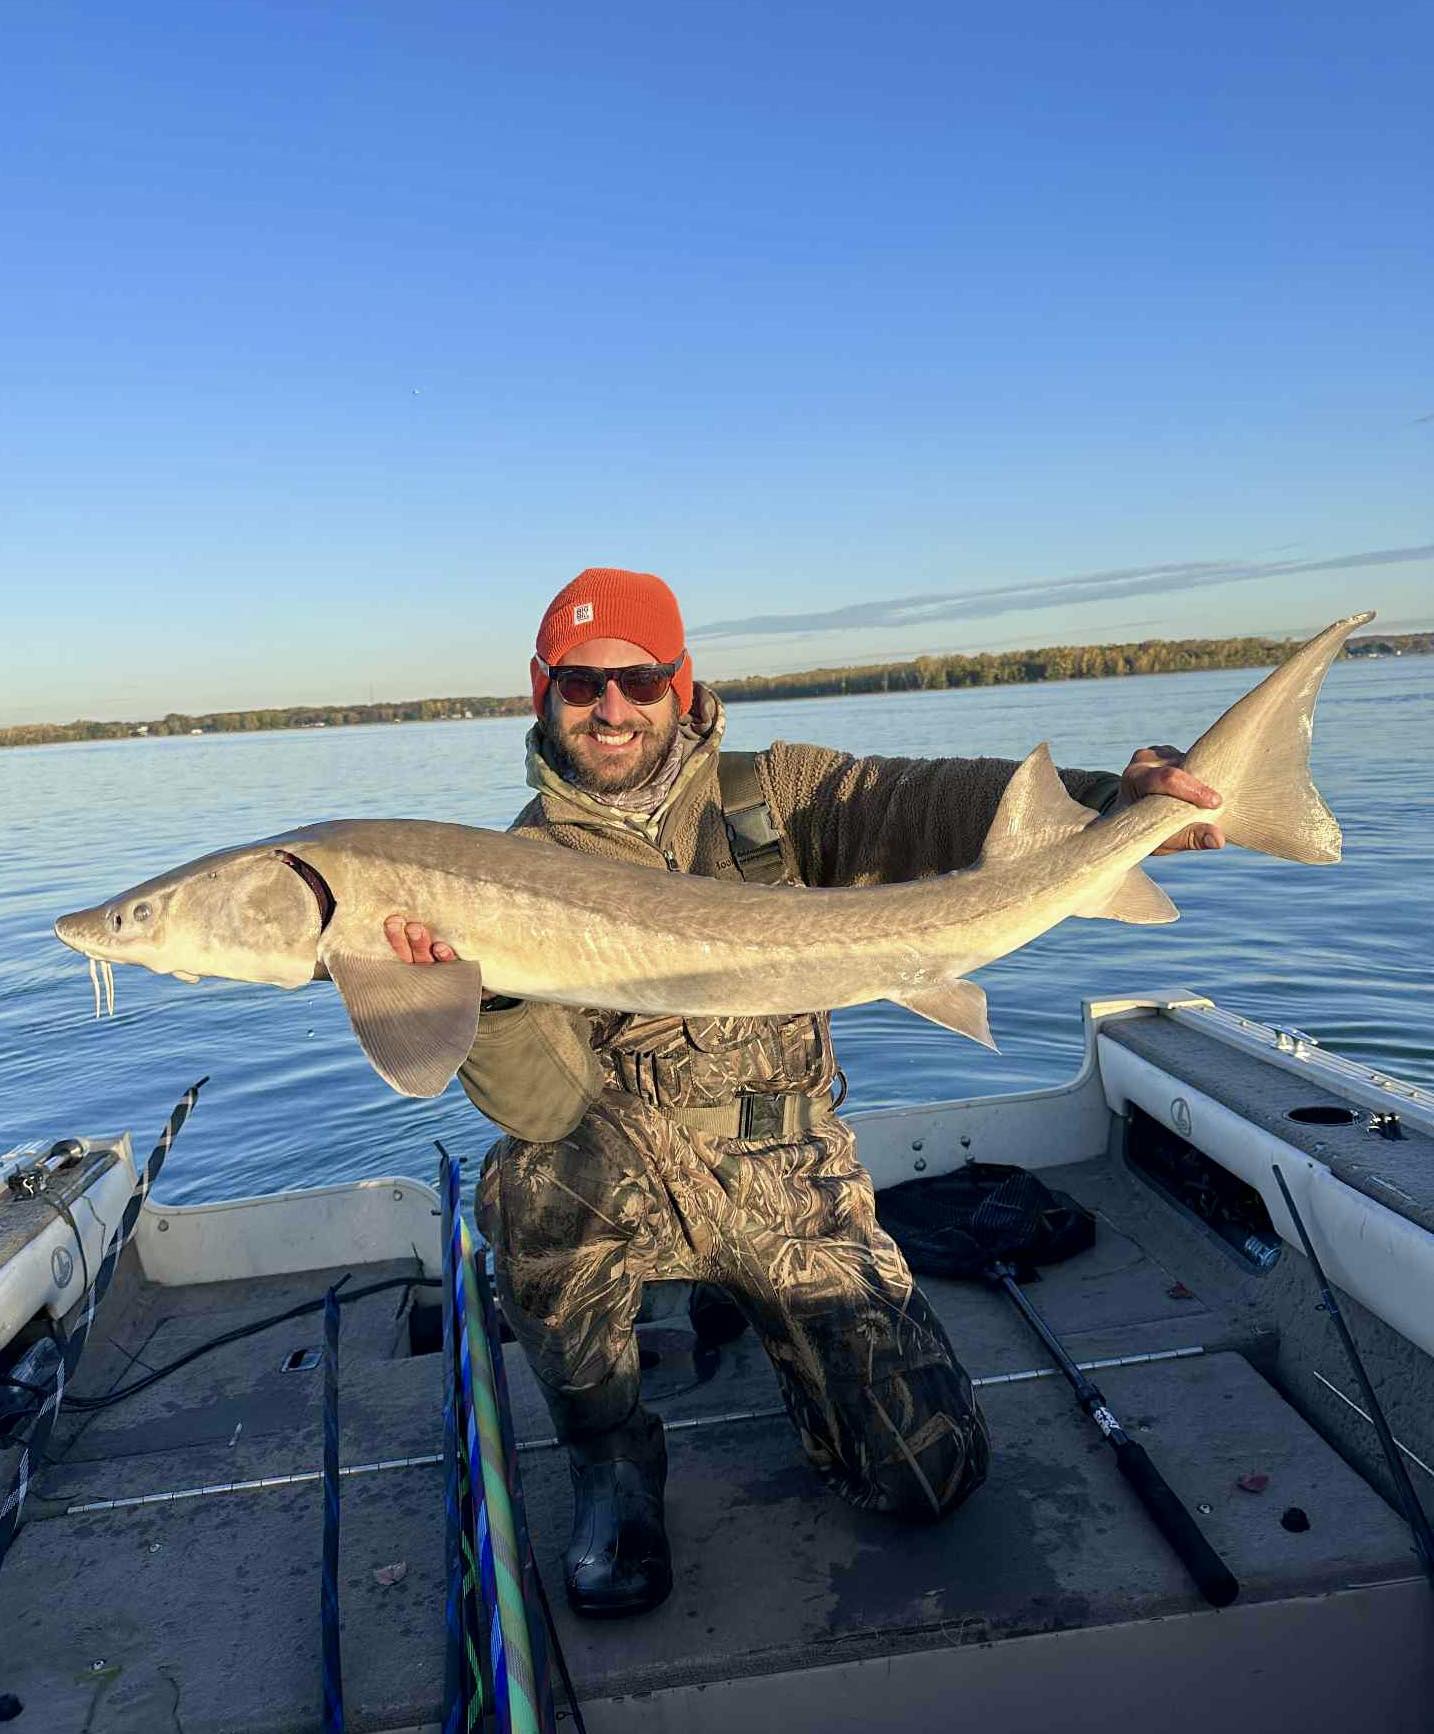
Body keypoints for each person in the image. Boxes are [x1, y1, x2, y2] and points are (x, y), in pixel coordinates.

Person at [385, 567, 1224, 1617]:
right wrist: (486, 999)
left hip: (786, 1167)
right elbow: (542, 1110)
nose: (611, 709)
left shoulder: (774, 794)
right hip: (622, 1173)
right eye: (582, 683)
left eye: (639, 681)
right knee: (529, 1179)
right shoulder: (504, 867)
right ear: (540, 690)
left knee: (931, 1474)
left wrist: (1117, 805)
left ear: (682, 683)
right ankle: (609, 1456)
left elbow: (933, 805)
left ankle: (761, 1310)